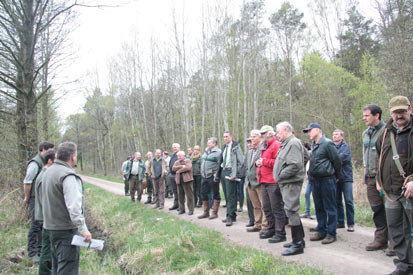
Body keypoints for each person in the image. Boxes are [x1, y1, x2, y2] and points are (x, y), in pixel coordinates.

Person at [376, 96, 413, 275]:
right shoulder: (385, 133)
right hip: (391, 192)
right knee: (397, 231)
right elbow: (380, 157)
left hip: (410, 190)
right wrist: (378, 179)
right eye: (396, 112)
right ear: (390, 113)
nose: (399, 115)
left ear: (410, 110)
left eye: (402, 111)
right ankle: (404, 266)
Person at [42, 142, 91, 274]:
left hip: (50, 229)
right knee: (67, 269)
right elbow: (74, 208)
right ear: (73, 157)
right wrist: (84, 229)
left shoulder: (47, 171)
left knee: (57, 268)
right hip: (65, 231)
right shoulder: (68, 176)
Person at [363, 104, 393, 253]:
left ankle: (395, 242)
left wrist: (381, 178)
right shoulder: (365, 133)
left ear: (377, 115)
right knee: (377, 208)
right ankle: (381, 239)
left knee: (391, 209)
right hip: (370, 177)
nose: (364, 118)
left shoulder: (388, 131)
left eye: (367, 115)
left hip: (385, 178)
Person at [304, 123, 342, 245]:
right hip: (315, 180)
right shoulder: (314, 145)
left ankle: (331, 233)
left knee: (330, 207)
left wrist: (336, 176)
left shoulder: (327, 143)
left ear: (317, 130)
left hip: (327, 179)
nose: (308, 133)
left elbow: (336, 161)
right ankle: (321, 230)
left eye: (310, 131)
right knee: (319, 206)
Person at [273, 122, 306, 256]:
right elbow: (305, 157)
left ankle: (297, 244)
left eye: (278, 131)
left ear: (286, 130)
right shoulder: (288, 143)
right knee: (291, 210)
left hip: (290, 182)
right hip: (287, 182)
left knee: (291, 211)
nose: (277, 134)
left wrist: (281, 175)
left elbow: (295, 164)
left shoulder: (293, 143)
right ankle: (299, 240)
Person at [23, 141, 55, 262]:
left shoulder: (46, 162)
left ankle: (42, 251)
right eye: (49, 151)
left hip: (43, 198)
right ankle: (32, 253)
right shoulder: (35, 164)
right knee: (35, 225)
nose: (51, 153)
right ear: (42, 150)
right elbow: (27, 182)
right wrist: (27, 198)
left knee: (43, 224)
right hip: (35, 198)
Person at [256, 125, 285, 243]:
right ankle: (271, 229)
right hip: (264, 180)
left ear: (270, 133)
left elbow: (279, 162)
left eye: (263, 133)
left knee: (276, 208)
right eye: (261, 134)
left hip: (273, 181)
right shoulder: (265, 146)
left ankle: (280, 232)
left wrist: (264, 162)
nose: (261, 136)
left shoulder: (276, 145)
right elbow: (263, 161)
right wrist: (258, 163)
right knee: (267, 207)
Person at [217, 131, 244, 226]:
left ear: (231, 137)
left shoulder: (235, 147)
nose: (225, 138)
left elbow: (241, 161)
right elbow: (221, 160)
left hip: (231, 172)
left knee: (231, 195)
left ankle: (229, 217)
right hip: (223, 171)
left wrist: (235, 174)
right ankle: (232, 215)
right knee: (226, 195)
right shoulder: (224, 147)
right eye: (224, 137)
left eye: (227, 136)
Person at [34, 150, 55, 274]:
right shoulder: (44, 177)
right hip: (46, 219)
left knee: (48, 248)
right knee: (47, 250)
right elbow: (45, 201)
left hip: (47, 218)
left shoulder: (45, 174)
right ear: (50, 161)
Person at [245, 130, 267, 233]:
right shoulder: (250, 151)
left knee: (264, 205)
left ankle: (265, 226)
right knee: (256, 205)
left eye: (254, 137)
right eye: (251, 137)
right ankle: (257, 224)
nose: (252, 139)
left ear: (260, 138)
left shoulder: (263, 149)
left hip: (260, 181)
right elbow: (247, 167)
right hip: (250, 182)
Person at [332, 129, 355, 232]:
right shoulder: (331, 146)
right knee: (337, 201)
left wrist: (333, 159)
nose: (335, 136)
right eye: (333, 135)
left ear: (342, 137)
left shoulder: (345, 147)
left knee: (348, 201)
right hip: (335, 178)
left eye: (337, 134)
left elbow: (341, 159)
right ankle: (340, 221)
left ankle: (350, 223)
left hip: (346, 178)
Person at [198, 137, 222, 219]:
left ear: (214, 144)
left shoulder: (219, 153)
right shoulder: (206, 151)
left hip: (212, 176)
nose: (208, 144)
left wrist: (217, 173)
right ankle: (206, 212)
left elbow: (221, 164)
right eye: (207, 143)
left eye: (209, 143)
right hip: (204, 176)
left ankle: (214, 213)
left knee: (215, 193)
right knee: (203, 193)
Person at [172, 151, 195, 215]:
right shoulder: (176, 162)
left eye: (180, 156)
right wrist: (182, 166)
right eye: (178, 156)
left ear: (183, 155)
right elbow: (173, 168)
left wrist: (178, 171)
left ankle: (191, 209)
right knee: (180, 195)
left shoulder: (187, 160)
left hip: (187, 180)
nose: (178, 157)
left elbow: (188, 167)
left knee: (189, 195)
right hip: (179, 180)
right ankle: (182, 209)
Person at [301, 142, 314, 219]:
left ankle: (316, 212)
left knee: (316, 195)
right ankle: (307, 211)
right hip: (308, 177)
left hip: (314, 176)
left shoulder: (310, 153)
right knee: (306, 193)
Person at [245, 138, 255, 227]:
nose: (249, 144)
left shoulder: (259, 152)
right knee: (249, 201)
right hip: (248, 181)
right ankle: (251, 220)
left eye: (250, 142)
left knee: (258, 203)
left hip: (257, 181)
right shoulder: (248, 153)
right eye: (248, 143)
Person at [168, 144, 181, 210]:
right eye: (173, 147)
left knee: (180, 191)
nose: (174, 148)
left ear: (179, 147)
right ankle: (176, 204)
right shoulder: (173, 155)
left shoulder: (181, 155)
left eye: (175, 147)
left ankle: (180, 205)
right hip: (172, 175)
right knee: (175, 191)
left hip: (177, 175)